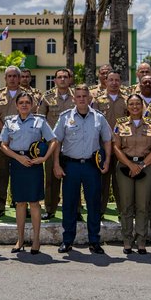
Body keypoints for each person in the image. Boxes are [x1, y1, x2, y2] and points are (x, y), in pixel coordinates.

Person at [53, 84, 112, 254]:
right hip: (70, 166)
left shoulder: (99, 118)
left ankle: (94, 240)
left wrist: (107, 160)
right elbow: (57, 142)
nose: (81, 99)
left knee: (93, 203)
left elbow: (107, 140)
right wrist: (56, 164)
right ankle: (67, 240)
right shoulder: (65, 117)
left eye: (84, 96)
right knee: (69, 204)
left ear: (90, 98)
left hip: (91, 166)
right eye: (78, 96)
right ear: (74, 99)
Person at [0, 91, 57, 255]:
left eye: (27, 102)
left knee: (34, 203)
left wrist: (44, 158)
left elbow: (53, 141)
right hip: (18, 164)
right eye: (21, 102)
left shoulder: (40, 121)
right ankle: (20, 239)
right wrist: (18, 158)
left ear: (32, 105)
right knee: (20, 203)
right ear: (17, 105)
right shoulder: (10, 122)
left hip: (34, 164)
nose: (24, 105)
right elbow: (3, 145)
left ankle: (36, 239)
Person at [113, 94, 151, 254]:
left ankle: (141, 241)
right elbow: (116, 147)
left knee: (142, 206)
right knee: (126, 206)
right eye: (131, 104)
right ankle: (127, 240)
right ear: (127, 107)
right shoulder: (120, 124)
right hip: (125, 166)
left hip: (144, 166)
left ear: (142, 106)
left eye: (137, 104)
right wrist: (130, 165)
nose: (135, 107)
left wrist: (141, 165)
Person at [0, 66, 30, 218]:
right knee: (0, 174)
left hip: (23, 142)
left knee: (21, 174)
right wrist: (7, 130)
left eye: (15, 76)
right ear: (5, 78)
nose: (12, 78)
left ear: (20, 78)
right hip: (3, 141)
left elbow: (31, 113)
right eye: (9, 76)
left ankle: (22, 204)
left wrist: (17, 133)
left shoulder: (27, 95)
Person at [38, 68, 74, 220]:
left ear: (70, 79)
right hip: (53, 144)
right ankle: (50, 208)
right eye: (59, 77)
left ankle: (75, 209)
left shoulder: (77, 97)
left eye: (65, 77)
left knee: (73, 177)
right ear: (55, 80)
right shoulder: (47, 97)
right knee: (52, 178)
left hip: (73, 143)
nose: (63, 80)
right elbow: (40, 119)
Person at [93, 71, 127, 216]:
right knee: (102, 181)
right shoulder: (98, 101)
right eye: (111, 80)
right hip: (102, 146)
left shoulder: (126, 100)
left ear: (120, 82)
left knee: (120, 181)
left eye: (117, 80)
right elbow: (93, 124)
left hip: (122, 147)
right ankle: (100, 210)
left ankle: (122, 210)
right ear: (105, 81)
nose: (114, 83)